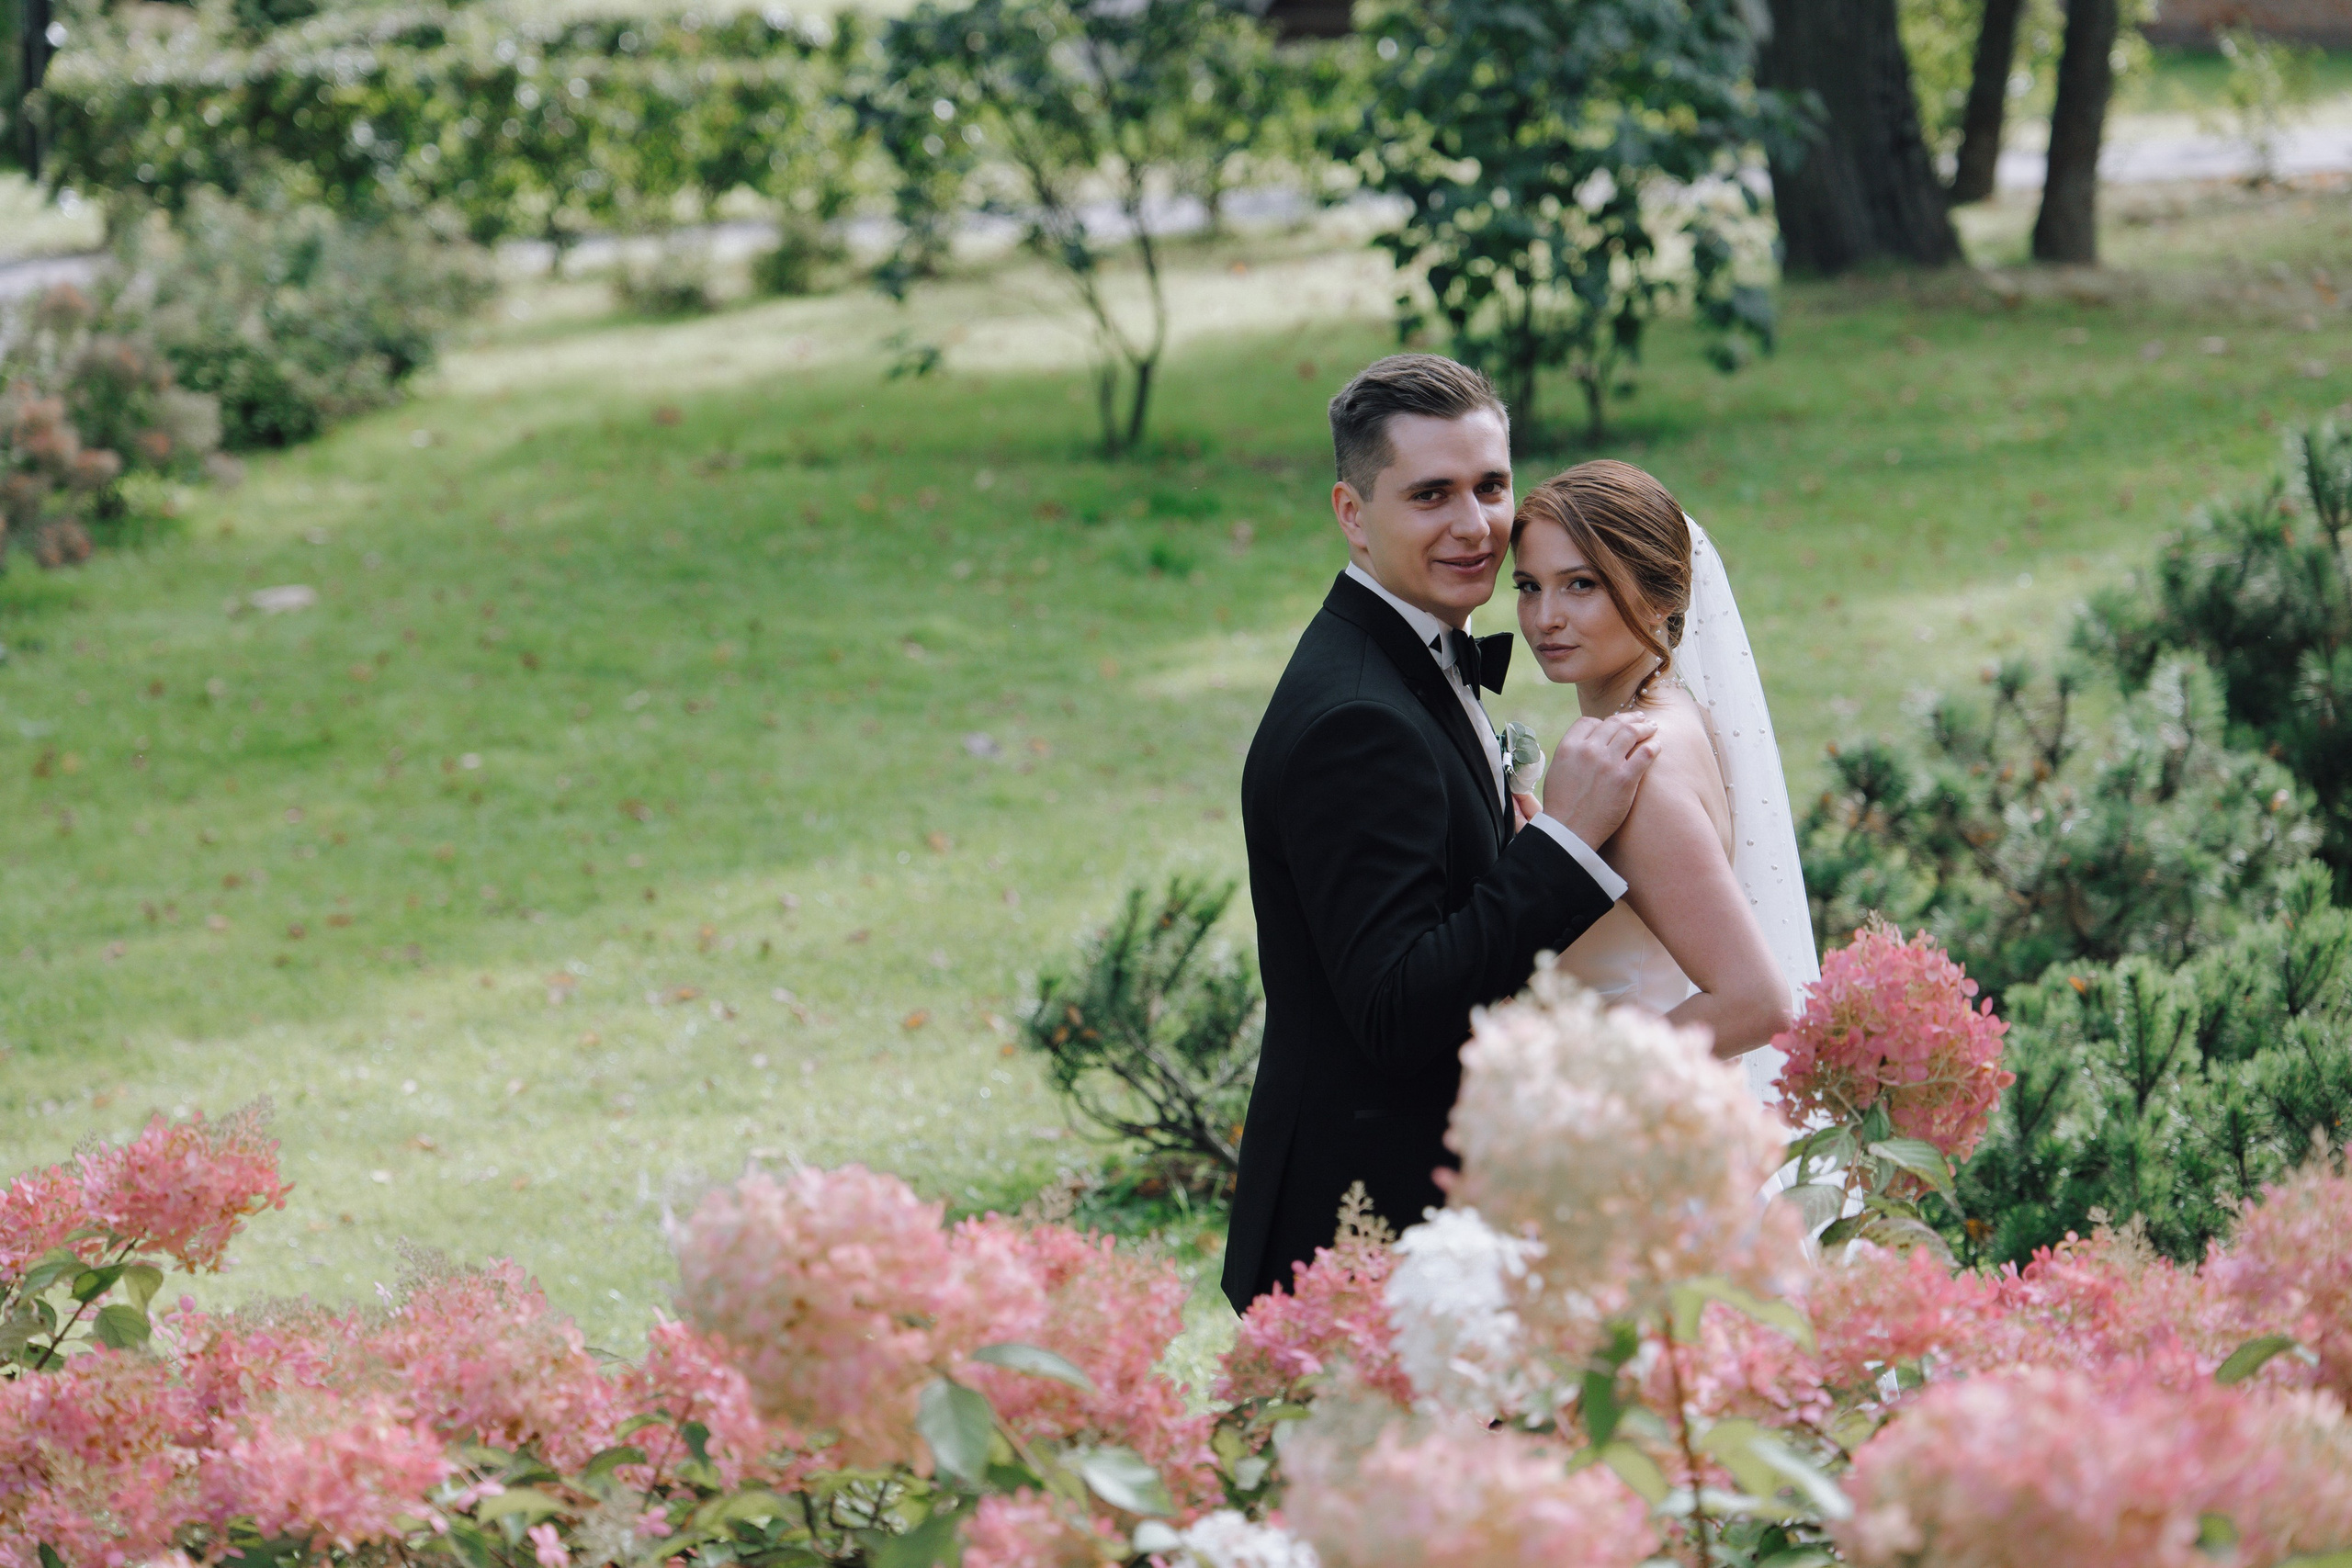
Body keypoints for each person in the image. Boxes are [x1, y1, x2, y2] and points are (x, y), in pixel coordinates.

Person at [1220, 355, 1659, 1313]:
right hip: (1365, 1239)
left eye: (1490, 486)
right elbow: (1396, 1010)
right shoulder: (1356, 720)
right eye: (1430, 495)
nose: (1475, 527)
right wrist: (1566, 849)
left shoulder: (1406, 653)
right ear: (1350, 513)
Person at [1510, 460, 1819, 1101]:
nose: (1545, 617)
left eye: (1580, 585)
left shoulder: (1636, 765)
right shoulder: (1676, 711)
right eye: (1529, 585)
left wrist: (1585, 1094)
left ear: (1662, 598)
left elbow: (1757, 1001)